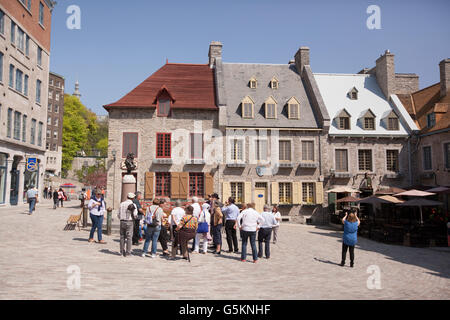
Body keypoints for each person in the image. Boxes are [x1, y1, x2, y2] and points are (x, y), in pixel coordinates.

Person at [117, 193, 138, 257]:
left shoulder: (122, 204)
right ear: (133, 198)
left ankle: (121, 251)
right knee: (129, 237)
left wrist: (121, 218)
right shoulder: (133, 204)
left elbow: (118, 214)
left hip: (122, 221)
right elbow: (135, 214)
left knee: (122, 237)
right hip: (129, 221)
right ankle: (128, 252)